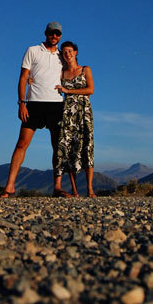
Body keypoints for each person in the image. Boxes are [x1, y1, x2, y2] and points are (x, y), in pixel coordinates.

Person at [0, 21, 69, 198]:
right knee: (22, 144)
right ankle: (9, 187)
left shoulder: (63, 56)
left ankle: (57, 188)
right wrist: (21, 103)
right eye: (52, 33)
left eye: (58, 34)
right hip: (34, 104)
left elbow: (69, 75)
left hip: (55, 104)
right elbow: (23, 78)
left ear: (60, 36)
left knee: (57, 146)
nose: (55, 36)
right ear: (45, 33)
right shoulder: (32, 50)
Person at [54, 40, 96, 197]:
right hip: (68, 114)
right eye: (64, 52)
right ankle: (74, 189)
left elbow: (91, 90)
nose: (67, 54)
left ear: (76, 52)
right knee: (69, 148)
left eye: (70, 51)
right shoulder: (61, 73)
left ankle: (90, 189)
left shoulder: (85, 69)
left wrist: (68, 91)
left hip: (84, 113)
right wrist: (31, 80)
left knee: (87, 146)